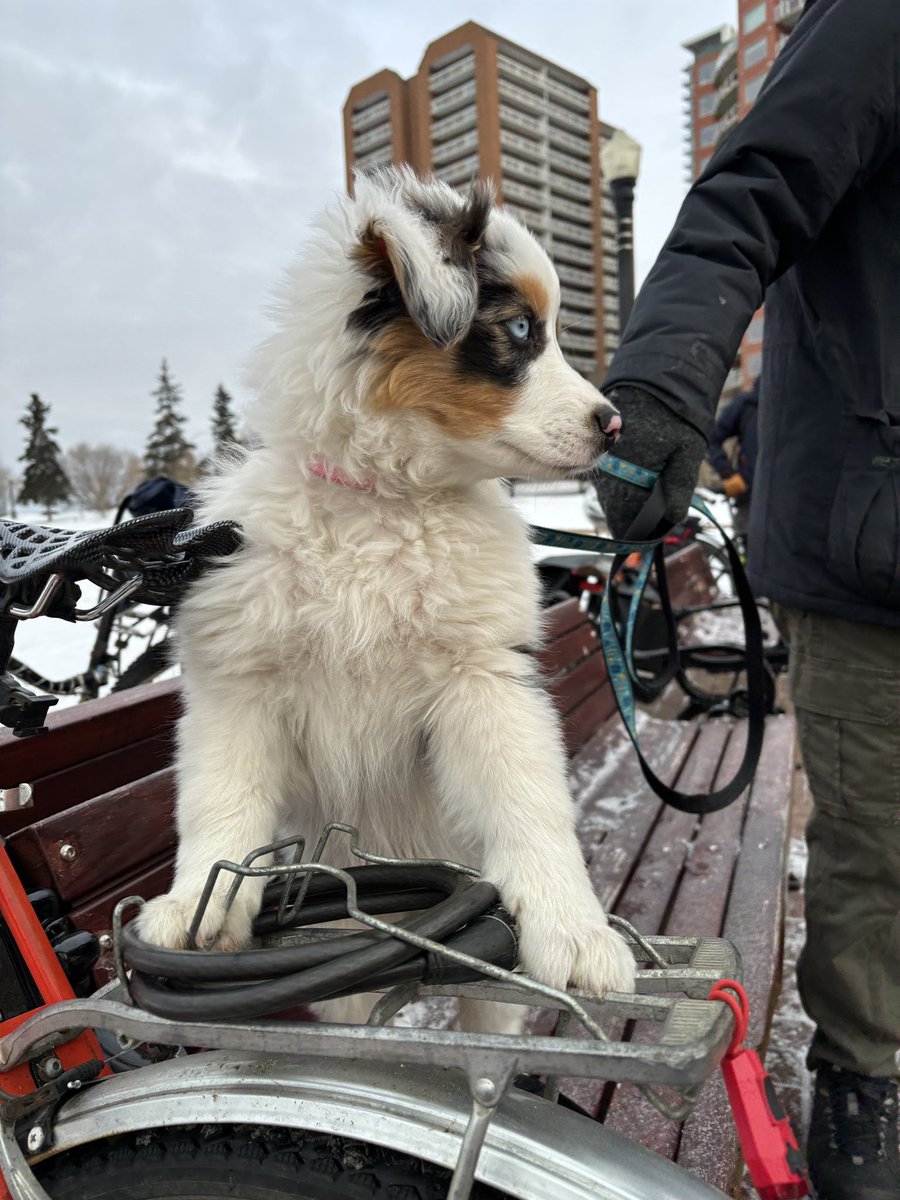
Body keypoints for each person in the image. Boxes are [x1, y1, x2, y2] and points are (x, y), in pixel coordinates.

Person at [594, 2, 900, 1197]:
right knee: (882, 856)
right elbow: (747, 192)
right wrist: (668, 376)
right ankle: (866, 1087)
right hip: (876, 561)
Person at [706, 376, 759, 556]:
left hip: (794, 505)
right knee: (751, 563)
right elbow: (711, 439)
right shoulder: (748, 404)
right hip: (750, 501)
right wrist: (726, 471)